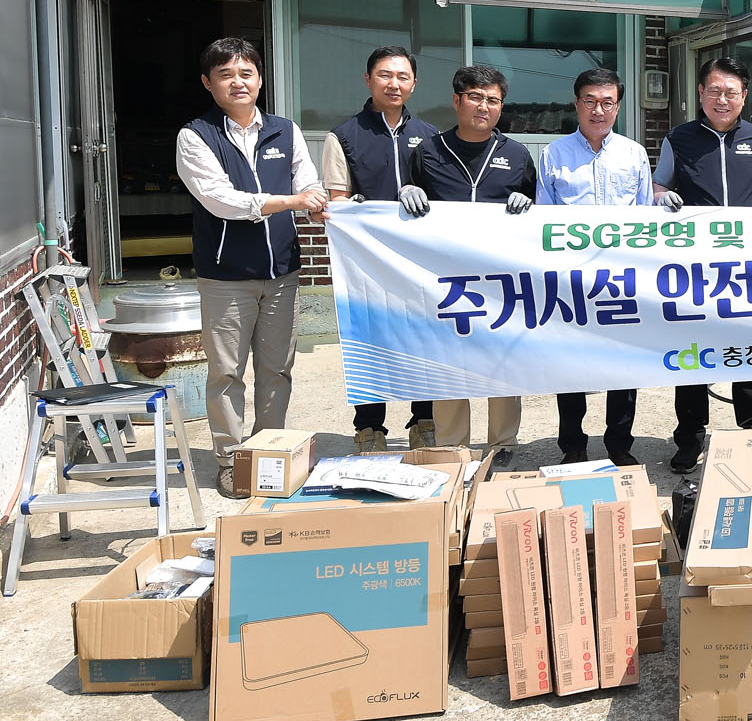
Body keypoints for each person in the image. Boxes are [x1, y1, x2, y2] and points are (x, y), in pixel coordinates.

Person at [175, 37, 328, 497]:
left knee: (277, 369)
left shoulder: (285, 130)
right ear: (208, 83)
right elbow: (221, 200)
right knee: (226, 372)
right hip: (225, 275)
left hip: (283, 272)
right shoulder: (195, 136)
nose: (238, 82)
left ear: (260, 79)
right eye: (226, 74)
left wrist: (316, 200)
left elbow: (308, 180)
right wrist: (294, 202)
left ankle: (269, 452)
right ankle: (230, 459)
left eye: (246, 73)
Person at [398, 64, 536, 463]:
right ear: (457, 100)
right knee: (448, 360)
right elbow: (408, 207)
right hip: (447, 279)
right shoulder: (429, 151)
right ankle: (453, 443)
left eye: (493, 100)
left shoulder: (516, 154)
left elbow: (537, 213)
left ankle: (503, 443)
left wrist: (528, 202)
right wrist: (405, 192)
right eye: (475, 97)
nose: (484, 106)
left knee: (503, 360)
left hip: (500, 279)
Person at [653, 56, 752, 473]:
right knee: (692, 356)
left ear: (744, 97)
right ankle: (689, 437)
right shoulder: (678, 139)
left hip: (747, 268)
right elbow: (659, 185)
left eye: (731, 92)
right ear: (700, 93)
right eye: (714, 91)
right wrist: (662, 198)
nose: (722, 100)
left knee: (749, 354)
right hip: (694, 270)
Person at [320, 45, 439, 453]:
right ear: (368, 79)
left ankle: (424, 421)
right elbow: (337, 200)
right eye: (385, 75)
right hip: (367, 262)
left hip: (418, 260)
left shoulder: (429, 136)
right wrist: (355, 208)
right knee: (371, 339)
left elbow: (440, 195)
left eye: (402, 76)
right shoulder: (343, 136)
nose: (394, 84)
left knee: (423, 337)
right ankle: (369, 428)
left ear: (414, 84)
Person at [537, 67, 652, 466]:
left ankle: (619, 443)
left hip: (622, 277)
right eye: (590, 101)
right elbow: (543, 219)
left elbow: (645, 216)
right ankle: (573, 444)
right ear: (576, 104)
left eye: (607, 102)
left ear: (618, 107)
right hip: (570, 278)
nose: (598, 110)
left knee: (624, 363)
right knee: (570, 364)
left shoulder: (634, 154)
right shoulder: (553, 154)